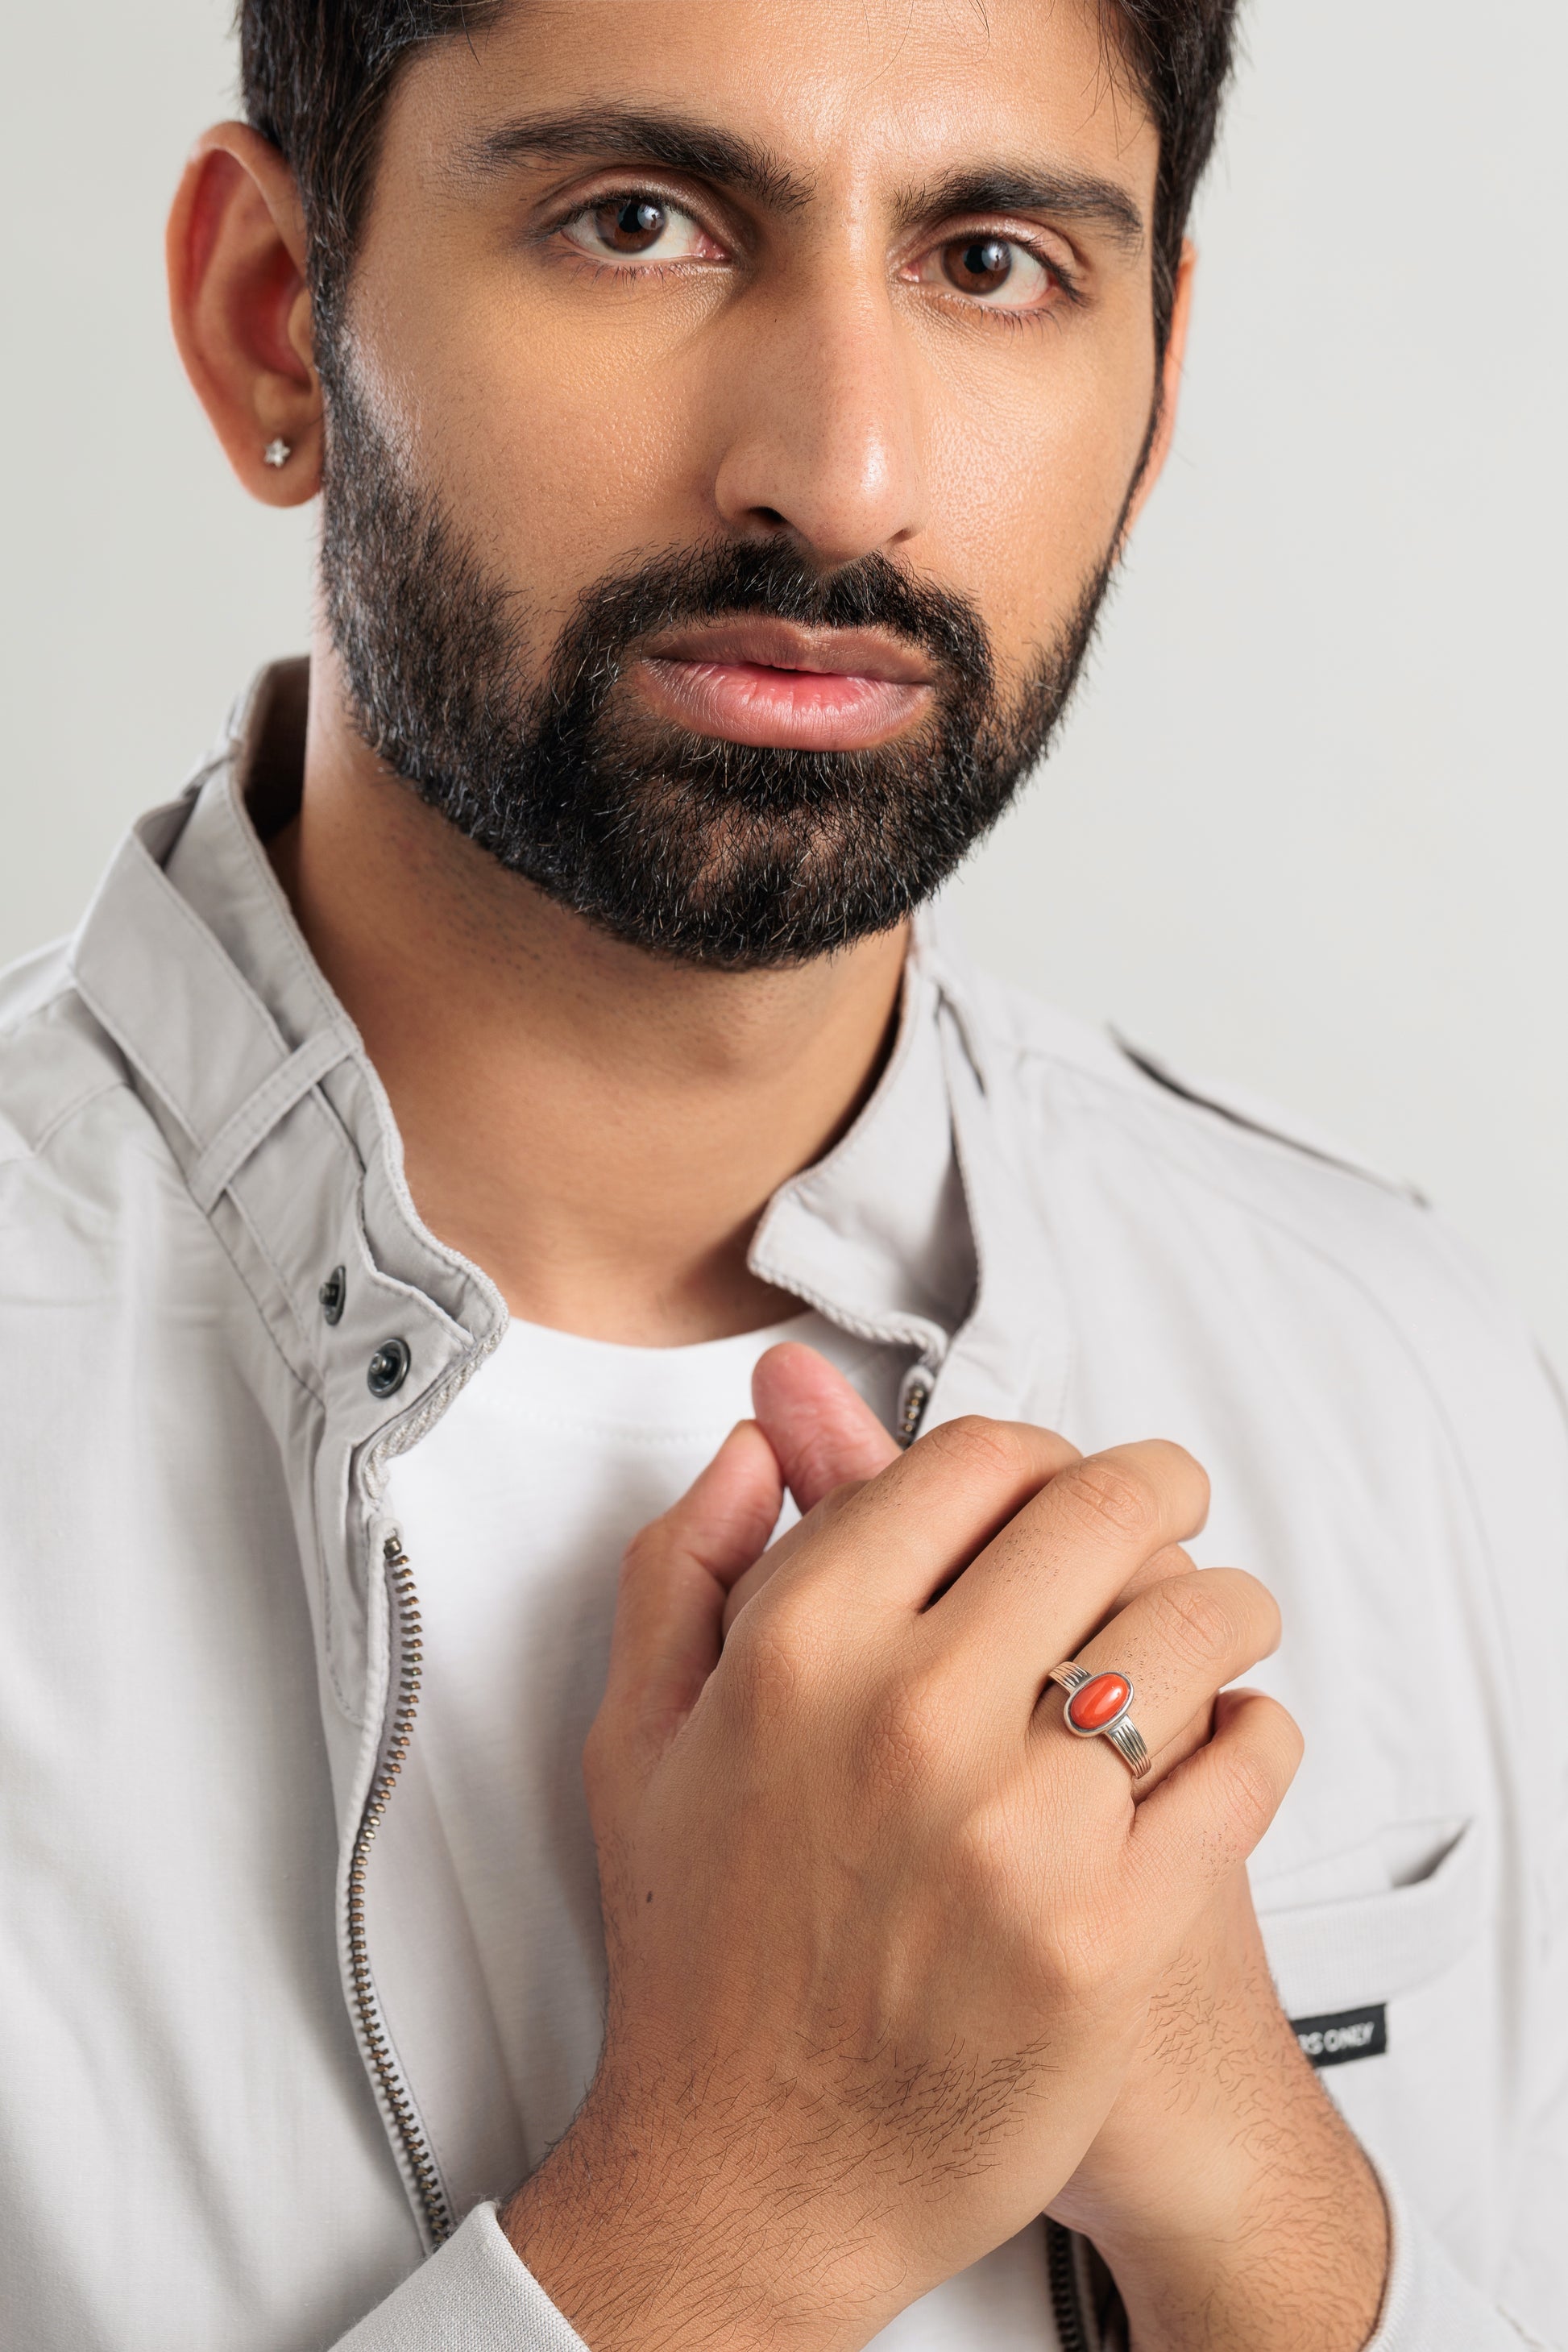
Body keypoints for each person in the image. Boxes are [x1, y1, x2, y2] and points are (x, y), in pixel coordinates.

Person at [0, 1, 1561, 2346]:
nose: (839, 474)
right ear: (268, 318)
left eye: (998, 261)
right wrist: (738, 2218)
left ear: (1150, 384)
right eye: (636, 224)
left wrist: (1276, 2234)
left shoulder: (1396, 1373)